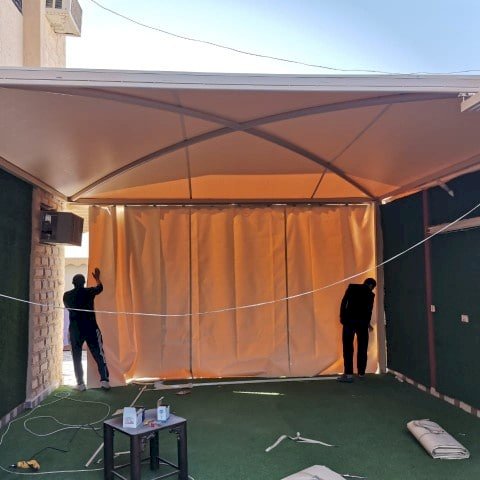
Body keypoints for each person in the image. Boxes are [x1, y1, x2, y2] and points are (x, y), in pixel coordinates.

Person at [63, 267, 110, 391]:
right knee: (99, 354)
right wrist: (97, 279)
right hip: (91, 328)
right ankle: (104, 381)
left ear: (73, 283)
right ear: (84, 283)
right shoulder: (89, 292)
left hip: (75, 330)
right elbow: (100, 288)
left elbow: (68, 308)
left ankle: (80, 384)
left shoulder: (67, 295)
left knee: (76, 357)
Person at [337, 277, 376, 383]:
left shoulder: (352, 288)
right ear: (371, 286)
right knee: (363, 347)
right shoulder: (370, 295)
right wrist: (367, 324)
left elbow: (344, 302)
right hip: (362, 324)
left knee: (348, 348)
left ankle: (349, 374)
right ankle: (361, 373)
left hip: (348, 321)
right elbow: (369, 311)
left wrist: (342, 317)